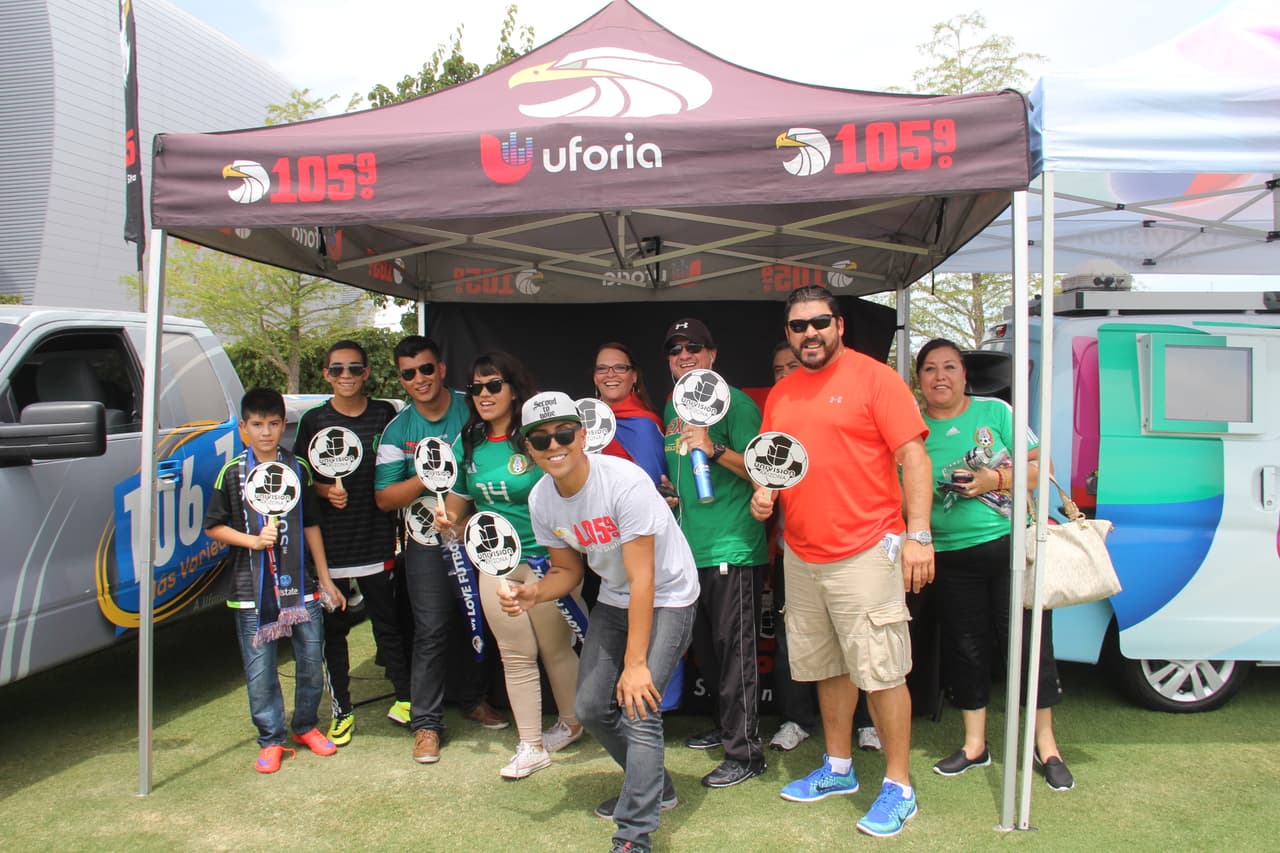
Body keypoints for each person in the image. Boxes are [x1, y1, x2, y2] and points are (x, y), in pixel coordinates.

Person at [750, 285, 933, 838]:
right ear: (788, 333)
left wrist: (919, 535)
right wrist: (765, 494)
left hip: (866, 551)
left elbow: (913, 456)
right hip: (803, 556)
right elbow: (772, 465)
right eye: (799, 326)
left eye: (820, 323)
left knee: (880, 673)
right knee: (827, 668)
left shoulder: (876, 379)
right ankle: (837, 767)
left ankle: (899, 787)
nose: (810, 334)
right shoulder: (783, 395)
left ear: (839, 325)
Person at [499, 391, 698, 853]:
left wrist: (635, 664)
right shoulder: (542, 499)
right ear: (528, 447)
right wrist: (533, 593)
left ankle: (634, 834)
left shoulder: (624, 482)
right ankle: (654, 787)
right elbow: (568, 572)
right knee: (589, 708)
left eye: (564, 433)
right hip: (614, 596)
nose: (554, 445)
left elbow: (644, 580)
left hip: (667, 594)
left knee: (640, 706)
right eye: (541, 438)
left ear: (582, 435)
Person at [916, 338, 1073, 791]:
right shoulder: (913, 427)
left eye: (950, 367)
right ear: (919, 378)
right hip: (949, 557)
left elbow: (1041, 467)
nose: (940, 376)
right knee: (966, 650)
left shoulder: (996, 413)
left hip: (1010, 549)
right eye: (929, 369)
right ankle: (974, 746)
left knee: (1028, 646)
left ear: (965, 374)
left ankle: (1048, 748)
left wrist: (993, 478)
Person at [436, 352, 584, 780]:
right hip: (495, 561)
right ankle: (530, 745)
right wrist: (451, 520)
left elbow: (570, 488)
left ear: (513, 389)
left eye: (493, 385)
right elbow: (460, 502)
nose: (483, 394)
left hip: (547, 559)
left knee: (556, 650)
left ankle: (571, 723)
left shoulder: (539, 438)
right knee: (516, 655)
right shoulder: (469, 443)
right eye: (477, 387)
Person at [374, 335, 508, 765]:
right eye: (409, 374)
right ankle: (426, 724)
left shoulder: (476, 404)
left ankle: (474, 699)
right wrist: (429, 475)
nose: (419, 379)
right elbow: (384, 498)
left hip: (477, 533)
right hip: (427, 540)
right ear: (401, 379)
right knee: (430, 629)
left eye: (426, 369)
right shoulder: (398, 429)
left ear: (442, 369)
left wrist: (464, 511)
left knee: (481, 619)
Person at [204, 387, 345, 773]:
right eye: (256, 425)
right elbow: (214, 527)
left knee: (311, 660)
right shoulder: (231, 472)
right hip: (251, 591)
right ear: (243, 428)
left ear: (284, 425)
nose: (265, 432)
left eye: (273, 424)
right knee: (260, 668)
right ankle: (270, 738)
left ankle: (305, 726)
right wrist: (252, 539)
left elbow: (312, 524)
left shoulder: (297, 467)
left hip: (303, 586)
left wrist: (326, 579)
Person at [661, 318, 768, 788]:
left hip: (732, 546)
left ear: (712, 355)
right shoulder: (671, 405)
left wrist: (715, 445)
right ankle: (727, 728)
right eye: (675, 349)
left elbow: (763, 471)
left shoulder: (737, 404)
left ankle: (746, 754)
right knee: (705, 650)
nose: (684, 355)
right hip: (690, 549)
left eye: (694, 347)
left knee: (734, 655)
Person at [763, 342, 881, 754]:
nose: (783, 374)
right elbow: (766, 473)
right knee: (794, 641)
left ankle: (868, 723)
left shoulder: (848, 400)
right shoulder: (778, 408)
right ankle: (797, 719)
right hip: (793, 550)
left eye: (790, 366)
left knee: (858, 643)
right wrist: (763, 496)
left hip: (855, 547)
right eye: (777, 368)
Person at [292, 340, 411, 746]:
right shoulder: (312, 420)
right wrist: (326, 491)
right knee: (333, 633)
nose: (346, 376)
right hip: (330, 548)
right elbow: (299, 478)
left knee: (388, 624)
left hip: (377, 540)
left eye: (354, 369)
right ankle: (341, 709)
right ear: (325, 374)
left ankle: (408, 698)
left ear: (367, 374)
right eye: (337, 369)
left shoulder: (385, 414)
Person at [593, 341, 666, 485]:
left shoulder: (645, 424)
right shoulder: (581, 422)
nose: (610, 374)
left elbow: (654, 487)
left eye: (620, 368)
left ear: (634, 376)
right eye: (602, 369)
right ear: (595, 378)